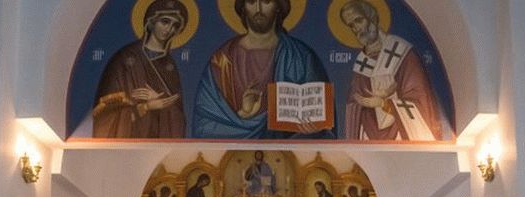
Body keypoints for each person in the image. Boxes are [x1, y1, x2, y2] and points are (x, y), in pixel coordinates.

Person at [193, 0, 334, 139]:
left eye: (266, 2)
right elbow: (204, 125)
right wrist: (243, 114)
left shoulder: (302, 57)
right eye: (251, 2)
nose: (258, 9)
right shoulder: (222, 60)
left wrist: (313, 129)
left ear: (278, 6)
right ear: (243, 7)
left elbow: (325, 124)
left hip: (287, 152)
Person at [339, 0, 452, 141]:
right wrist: (360, 103)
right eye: (351, 25)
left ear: (371, 18)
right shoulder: (361, 62)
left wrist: (384, 104)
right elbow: (354, 105)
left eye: (359, 20)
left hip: (401, 133)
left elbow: (419, 100)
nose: (357, 28)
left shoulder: (403, 52)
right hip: (368, 135)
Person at [93, 0, 188, 138]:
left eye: (175, 25)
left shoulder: (169, 65)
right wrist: (146, 106)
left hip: (157, 138)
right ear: (151, 22)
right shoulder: (124, 59)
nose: (169, 29)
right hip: (129, 137)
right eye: (165, 22)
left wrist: (160, 100)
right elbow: (104, 111)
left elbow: (177, 116)